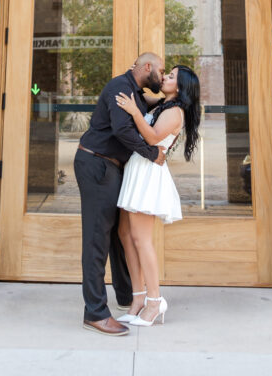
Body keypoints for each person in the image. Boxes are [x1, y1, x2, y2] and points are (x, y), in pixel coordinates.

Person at [74, 52, 167, 337]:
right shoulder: (119, 87)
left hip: (112, 168)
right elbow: (122, 129)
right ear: (147, 67)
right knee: (96, 239)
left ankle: (127, 297)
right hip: (96, 163)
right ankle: (95, 313)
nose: (162, 78)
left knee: (117, 236)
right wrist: (153, 154)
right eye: (161, 72)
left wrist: (175, 95)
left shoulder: (135, 93)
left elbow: (156, 102)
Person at [115, 64, 202, 327]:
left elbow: (152, 137)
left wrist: (132, 111)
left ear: (181, 86)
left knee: (141, 239)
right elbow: (145, 94)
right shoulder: (164, 105)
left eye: (171, 76)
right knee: (126, 236)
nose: (164, 77)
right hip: (137, 169)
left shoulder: (175, 112)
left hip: (148, 174)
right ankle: (138, 299)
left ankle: (155, 302)